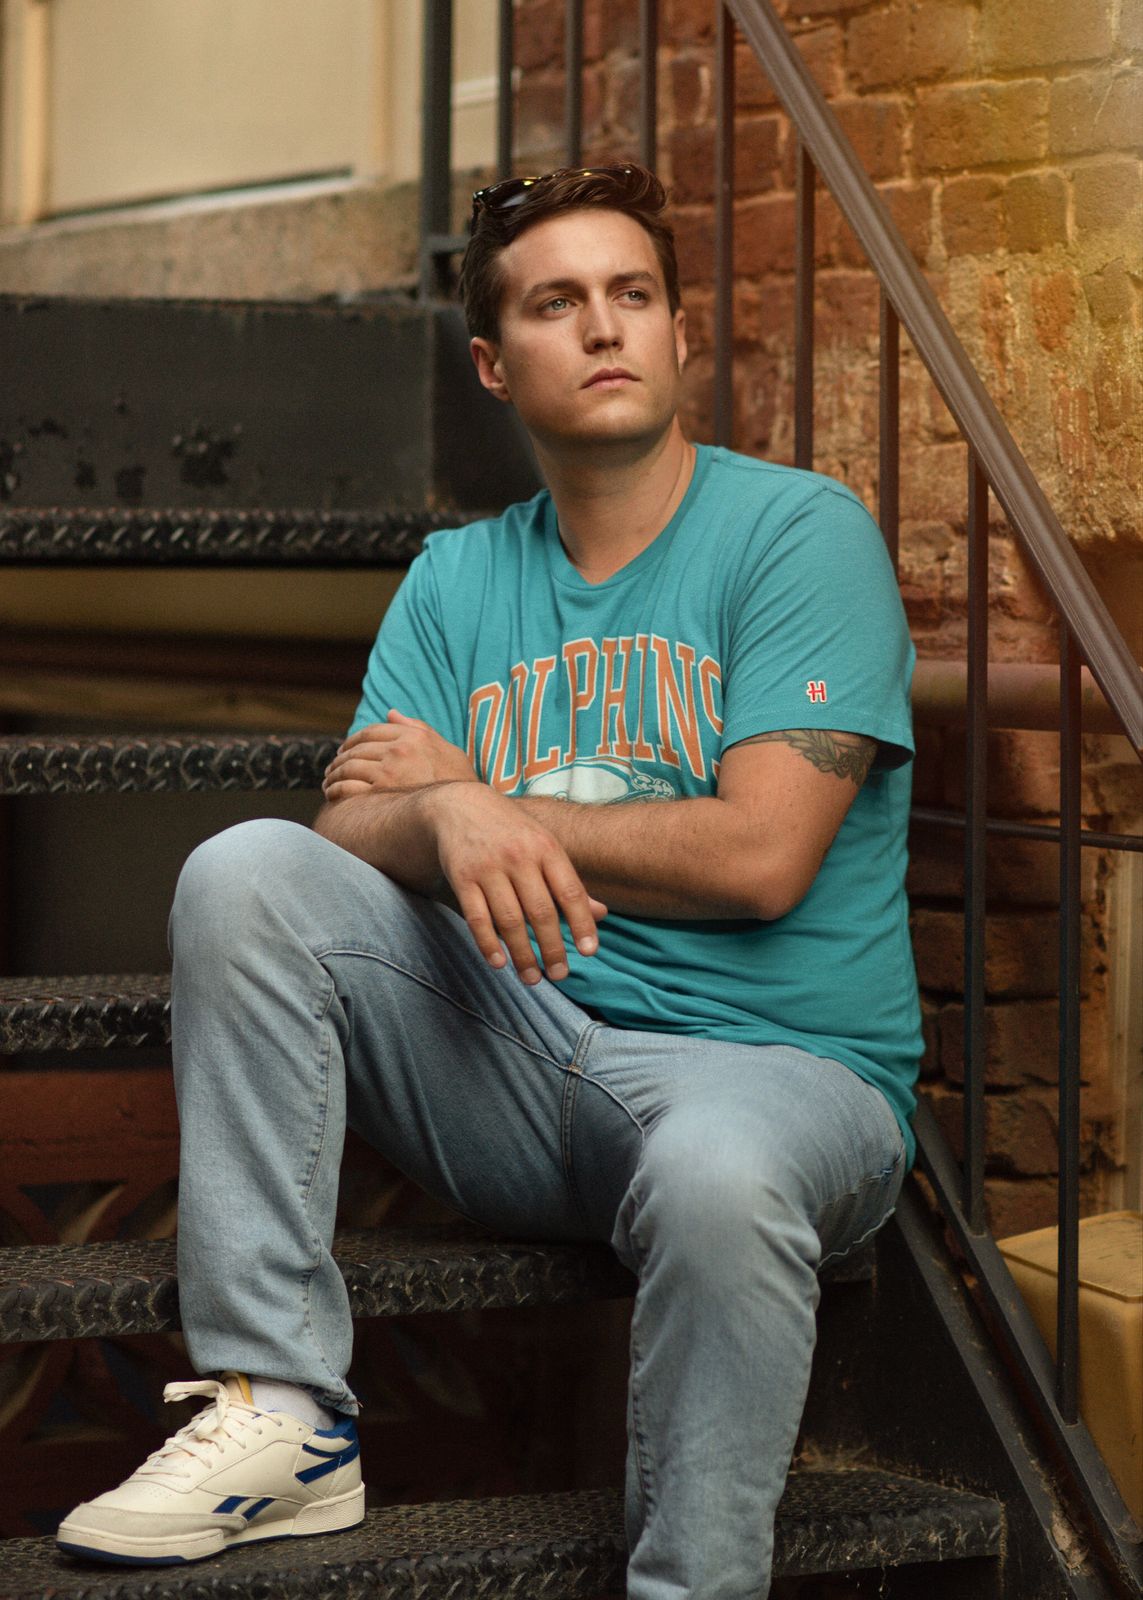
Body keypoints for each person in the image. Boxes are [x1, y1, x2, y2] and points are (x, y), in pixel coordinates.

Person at [56, 163, 920, 1598]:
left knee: (715, 1176)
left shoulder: (797, 535)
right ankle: (285, 1410)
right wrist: (447, 816)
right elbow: (349, 835)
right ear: (492, 363)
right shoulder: (456, 579)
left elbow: (761, 856)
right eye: (556, 303)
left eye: (632, 294)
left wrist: (479, 797)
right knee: (244, 871)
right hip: (514, 1056)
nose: (604, 327)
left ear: (681, 333)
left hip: (771, 1077)